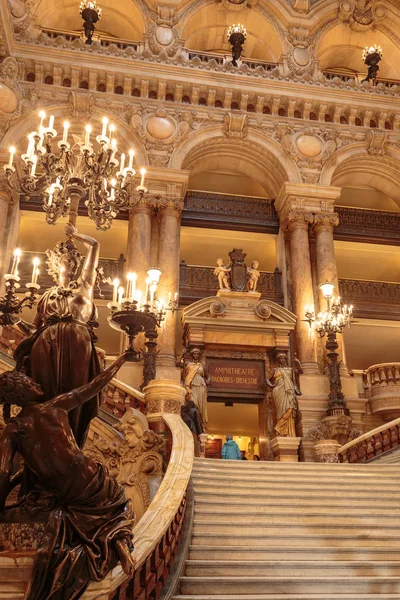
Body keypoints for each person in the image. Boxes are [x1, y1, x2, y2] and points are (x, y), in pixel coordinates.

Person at [0, 349, 136, 600]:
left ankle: (114, 539)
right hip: (92, 478)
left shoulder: (13, 429)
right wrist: (123, 359)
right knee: (120, 503)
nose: (36, 383)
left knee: (85, 514)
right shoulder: (55, 405)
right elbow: (96, 384)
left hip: (64, 489)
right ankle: (118, 539)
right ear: (21, 392)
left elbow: (3, 472)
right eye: (30, 383)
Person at [14, 223, 100, 449]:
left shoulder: (85, 286)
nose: (69, 263)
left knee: (76, 395)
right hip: (45, 343)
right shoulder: (46, 296)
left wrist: (76, 234)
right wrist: (14, 321)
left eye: (73, 261)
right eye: (64, 260)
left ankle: (71, 446)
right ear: (55, 264)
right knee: (47, 396)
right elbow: (34, 330)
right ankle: (47, 444)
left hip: (78, 341)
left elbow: (95, 246)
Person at [266, 352, 301, 438]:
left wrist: (298, 363)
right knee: (280, 411)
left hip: (289, 391)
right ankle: (281, 430)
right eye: (280, 359)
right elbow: (267, 378)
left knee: (290, 409)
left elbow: (300, 372)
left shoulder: (290, 370)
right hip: (278, 391)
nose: (282, 360)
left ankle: (280, 428)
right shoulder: (275, 370)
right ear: (278, 360)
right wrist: (272, 385)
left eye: (284, 358)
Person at [183, 348, 210, 426]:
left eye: (197, 354)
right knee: (194, 403)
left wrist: (208, 381)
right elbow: (184, 376)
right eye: (194, 354)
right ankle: (195, 422)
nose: (196, 355)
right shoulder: (189, 365)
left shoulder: (201, 365)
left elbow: (208, 376)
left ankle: (201, 423)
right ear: (192, 355)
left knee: (201, 405)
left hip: (201, 386)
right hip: (192, 386)